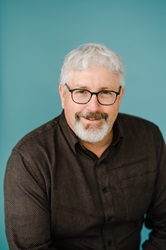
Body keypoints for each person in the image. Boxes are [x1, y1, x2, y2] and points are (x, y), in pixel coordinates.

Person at [4, 43, 166, 250]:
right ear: (63, 95)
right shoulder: (30, 159)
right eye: (81, 92)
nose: (93, 107)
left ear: (121, 96)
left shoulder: (148, 138)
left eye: (105, 92)